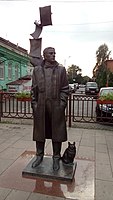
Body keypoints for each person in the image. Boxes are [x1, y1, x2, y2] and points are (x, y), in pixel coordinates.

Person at [31, 47, 69, 171]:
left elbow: (65, 89)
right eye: (50, 53)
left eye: (54, 53)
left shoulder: (61, 70)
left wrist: (62, 104)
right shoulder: (37, 70)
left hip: (56, 106)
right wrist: (34, 104)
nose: (53, 55)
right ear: (44, 55)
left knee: (56, 131)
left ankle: (56, 157)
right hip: (41, 106)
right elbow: (33, 89)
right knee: (40, 131)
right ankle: (39, 156)